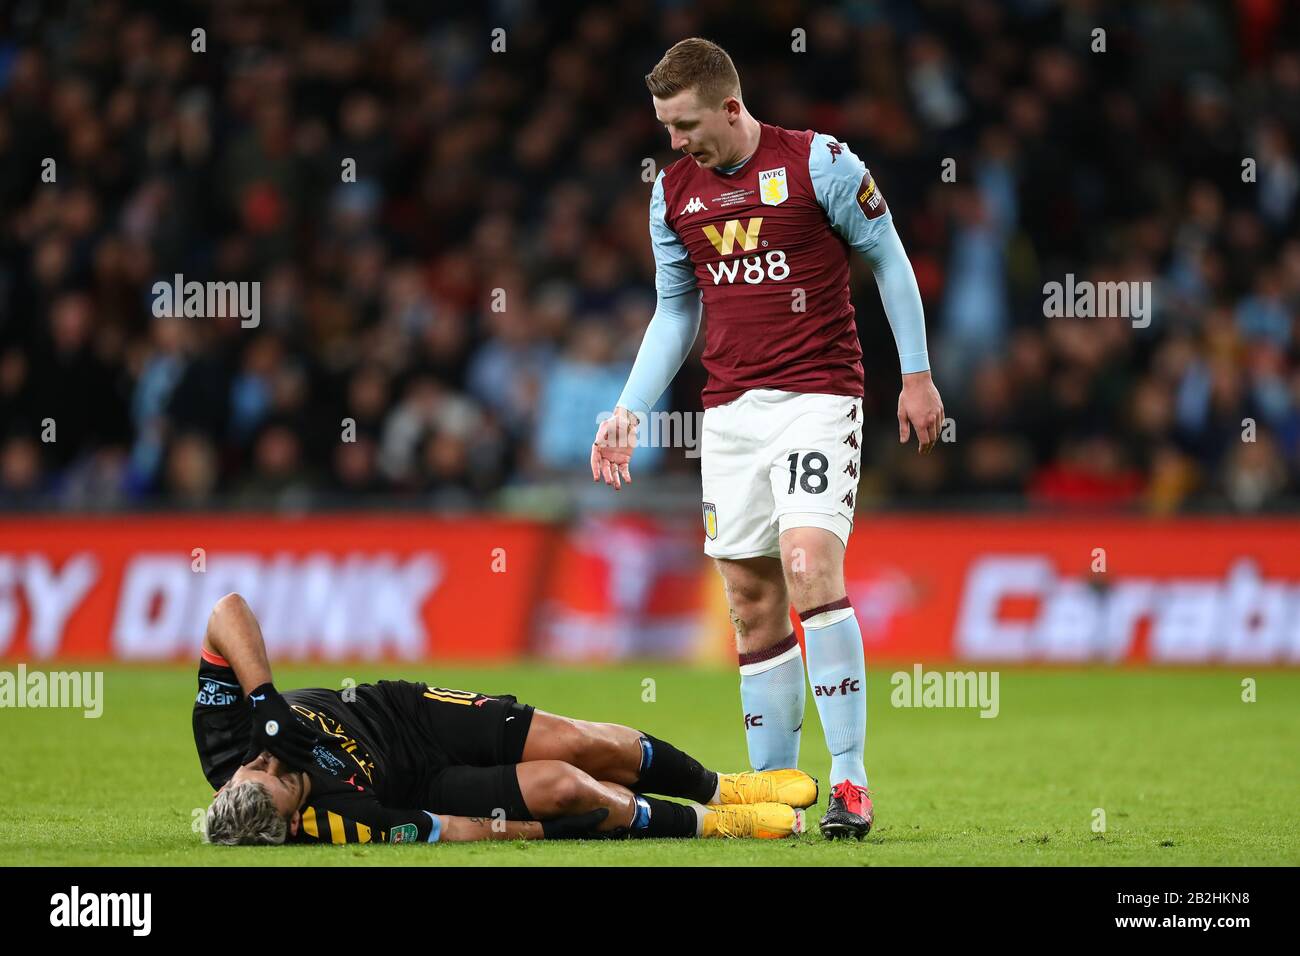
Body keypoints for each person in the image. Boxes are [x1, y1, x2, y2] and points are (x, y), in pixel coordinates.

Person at [591, 38, 945, 839]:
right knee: (752, 608)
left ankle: (851, 782)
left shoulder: (819, 162)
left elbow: (888, 260)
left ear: (729, 106)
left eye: (684, 126)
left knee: (809, 563)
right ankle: (775, 794)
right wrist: (630, 408)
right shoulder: (672, 194)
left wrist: (916, 375)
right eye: (664, 128)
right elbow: (676, 312)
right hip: (730, 414)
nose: (675, 144)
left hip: (819, 396)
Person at [196, 593, 815, 844]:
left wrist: (264, 702)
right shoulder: (339, 823)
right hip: (420, 785)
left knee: (574, 740)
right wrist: (546, 830)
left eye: (252, 766)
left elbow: (226, 612)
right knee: (566, 788)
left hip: (401, 713)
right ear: (285, 819)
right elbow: (448, 828)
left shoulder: (230, 745)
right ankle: (717, 822)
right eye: (274, 776)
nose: (265, 758)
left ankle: (723, 783)